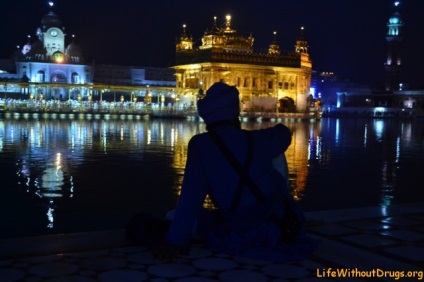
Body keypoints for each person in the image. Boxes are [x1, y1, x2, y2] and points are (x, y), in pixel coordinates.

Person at [151, 82, 318, 261]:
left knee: (174, 216)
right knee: (275, 156)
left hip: (243, 233)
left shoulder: (200, 145)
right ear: (235, 115)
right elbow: (284, 133)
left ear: (207, 118)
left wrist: (174, 241)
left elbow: (190, 199)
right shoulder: (255, 140)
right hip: (280, 227)